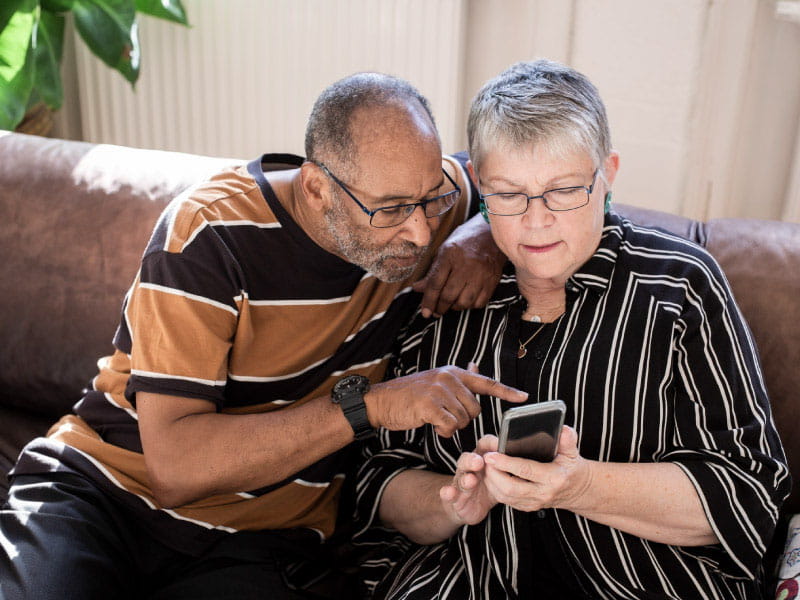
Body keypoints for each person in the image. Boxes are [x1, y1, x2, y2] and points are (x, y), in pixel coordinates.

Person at [0, 73, 528, 599]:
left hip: (261, 540)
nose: (419, 232)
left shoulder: (425, 203)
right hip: (106, 494)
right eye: (390, 210)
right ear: (316, 187)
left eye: (431, 200)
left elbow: (528, 180)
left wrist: (483, 229)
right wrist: (370, 407)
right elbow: (176, 469)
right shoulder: (208, 236)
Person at [353, 60, 791, 599]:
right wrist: (456, 500)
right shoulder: (447, 301)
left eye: (563, 191)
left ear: (607, 172)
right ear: (482, 192)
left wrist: (580, 485)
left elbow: (749, 496)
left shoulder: (679, 287)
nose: (535, 222)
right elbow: (379, 484)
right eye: (509, 195)